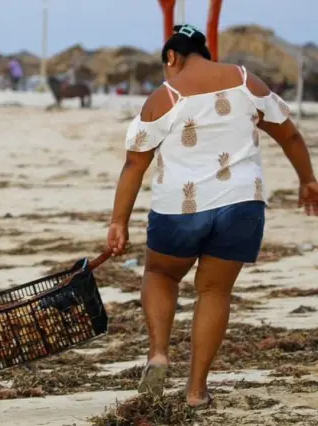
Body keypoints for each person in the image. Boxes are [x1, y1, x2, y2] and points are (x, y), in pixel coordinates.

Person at [106, 25, 318, 408]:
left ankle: (158, 353)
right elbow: (288, 135)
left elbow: (134, 164)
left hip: (179, 209)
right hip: (242, 203)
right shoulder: (244, 80)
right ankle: (196, 390)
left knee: (160, 273)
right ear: (204, 51)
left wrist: (118, 221)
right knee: (215, 291)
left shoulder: (163, 97)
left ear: (171, 57)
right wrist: (308, 180)